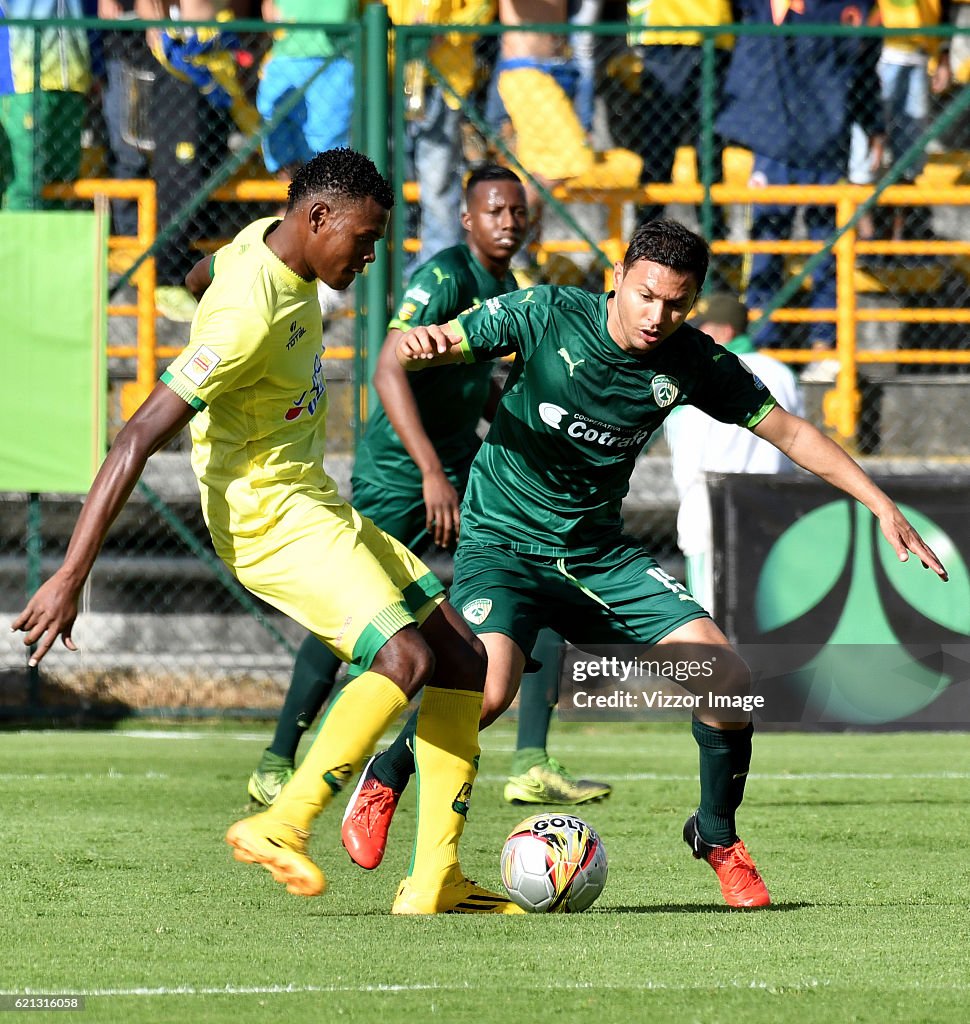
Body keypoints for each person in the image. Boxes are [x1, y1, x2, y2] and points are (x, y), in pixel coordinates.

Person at [11, 148, 522, 916]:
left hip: (310, 500)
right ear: (317, 219)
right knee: (406, 655)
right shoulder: (249, 316)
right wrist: (71, 574)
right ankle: (283, 824)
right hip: (268, 520)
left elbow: (201, 275)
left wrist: (202, 293)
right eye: (364, 236)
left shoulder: (264, 240)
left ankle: (434, 881)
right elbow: (134, 437)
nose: (371, 253)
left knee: (460, 658)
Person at [379, 218, 947, 908]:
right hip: (504, 546)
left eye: (677, 304)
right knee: (488, 693)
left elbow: (792, 431)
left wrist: (880, 504)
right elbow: (431, 345)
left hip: (597, 557)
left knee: (728, 681)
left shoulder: (692, 360)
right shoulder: (546, 312)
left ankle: (715, 834)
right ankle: (385, 774)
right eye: (646, 295)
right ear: (617, 278)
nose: (658, 316)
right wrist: (427, 342)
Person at [246, 166, 609, 850]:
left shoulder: (510, 293)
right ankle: (277, 762)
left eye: (518, 211)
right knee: (357, 611)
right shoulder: (443, 277)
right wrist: (429, 474)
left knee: (543, 575)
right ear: (467, 219)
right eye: (495, 210)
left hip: (457, 464)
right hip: (400, 473)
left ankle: (530, 760)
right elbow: (388, 366)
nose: (509, 220)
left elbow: (500, 386)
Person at [716, 0, 883, 382]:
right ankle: (765, 349)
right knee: (767, 245)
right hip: (774, 137)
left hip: (828, 143)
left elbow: (866, 69)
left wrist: (874, 124)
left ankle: (824, 348)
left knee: (828, 251)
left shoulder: (862, 6)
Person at [663, 292, 804, 614]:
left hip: (710, 499)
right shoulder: (783, 373)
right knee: (761, 610)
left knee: (710, 612)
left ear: (725, 332)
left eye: (705, 327)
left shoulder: (705, 369)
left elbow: (685, 450)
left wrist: (689, 501)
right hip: (770, 503)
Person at [385, 0, 496, 268]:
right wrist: (400, 37)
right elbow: (368, 13)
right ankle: (394, 275)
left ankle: (439, 276)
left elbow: (483, 9)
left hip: (443, 85)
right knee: (387, 185)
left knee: (438, 188)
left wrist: (443, 31)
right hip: (389, 82)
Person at [0, 0, 92, 210]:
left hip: (73, 80)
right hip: (22, 81)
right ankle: (17, 242)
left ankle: (54, 242)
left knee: (63, 184)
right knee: (26, 186)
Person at [256, 0, 357, 190]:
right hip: (285, 59)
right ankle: (295, 211)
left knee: (326, 161)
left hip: (333, 61)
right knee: (281, 152)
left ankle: (315, 212)